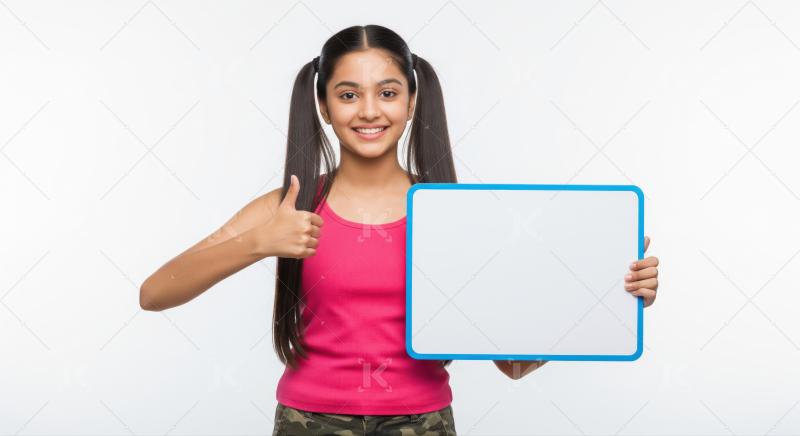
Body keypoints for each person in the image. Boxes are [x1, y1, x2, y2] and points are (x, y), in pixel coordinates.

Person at [139, 24, 660, 436]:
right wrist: (258, 243)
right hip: (308, 422)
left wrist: (601, 295)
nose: (369, 110)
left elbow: (514, 366)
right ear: (323, 105)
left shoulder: (456, 219)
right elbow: (155, 292)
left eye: (387, 92)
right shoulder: (289, 207)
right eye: (347, 95)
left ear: (412, 102)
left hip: (423, 424)